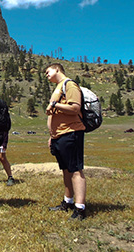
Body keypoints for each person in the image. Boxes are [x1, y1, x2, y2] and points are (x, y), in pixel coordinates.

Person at [45, 63, 87, 220]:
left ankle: (80, 208)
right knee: (66, 170)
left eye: (48, 71)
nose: (46, 75)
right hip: (59, 135)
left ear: (57, 69)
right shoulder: (58, 87)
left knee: (75, 170)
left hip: (71, 132)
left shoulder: (70, 85)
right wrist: (52, 135)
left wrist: (55, 104)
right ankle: (68, 202)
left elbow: (75, 108)